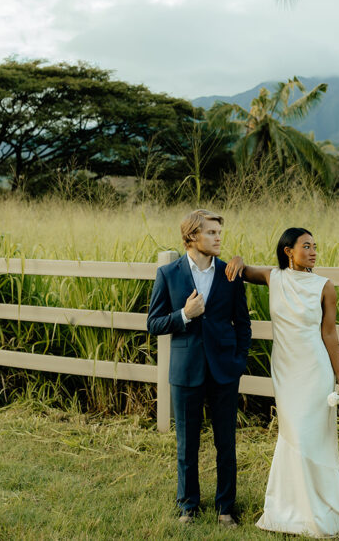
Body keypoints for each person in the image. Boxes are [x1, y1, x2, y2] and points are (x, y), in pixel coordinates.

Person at [227, 227, 339, 537]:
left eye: (315, 246)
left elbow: (329, 332)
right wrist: (237, 257)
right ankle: (289, 506)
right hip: (285, 370)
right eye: (306, 246)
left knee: (310, 436)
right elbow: (240, 270)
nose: (313, 251)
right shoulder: (274, 277)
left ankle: (317, 506)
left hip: (314, 370)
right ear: (289, 251)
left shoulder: (325, 286)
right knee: (292, 433)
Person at [146, 209, 252, 527]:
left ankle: (225, 508)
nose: (218, 238)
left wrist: (238, 360)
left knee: (226, 443)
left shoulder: (229, 274)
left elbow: (243, 324)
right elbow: (153, 323)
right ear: (192, 236)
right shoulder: (169, 274)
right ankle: (188, 506)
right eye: (211, 233)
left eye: (220, 233)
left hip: (224, 370)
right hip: (185, 369)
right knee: (187, 442)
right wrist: (185, 314)